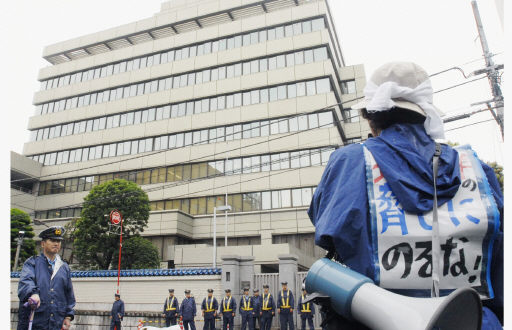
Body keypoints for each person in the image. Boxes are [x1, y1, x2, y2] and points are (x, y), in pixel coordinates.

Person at [308, 62, 503, 329]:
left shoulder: (351, 162)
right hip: (473, 320)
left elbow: (325, 227)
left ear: (370, 116)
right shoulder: (477, 170)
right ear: (424, 115)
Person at [17, 226, 76, 330]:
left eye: (58, 241)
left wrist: (68, 316)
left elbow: (69, 293)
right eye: (52, 240)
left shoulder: (64, 267)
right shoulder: (32, 263)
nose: (56, 243)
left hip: (56, 322)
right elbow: (26, 282)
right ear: (43, 243)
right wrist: (33, 293)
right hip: (35, 320)